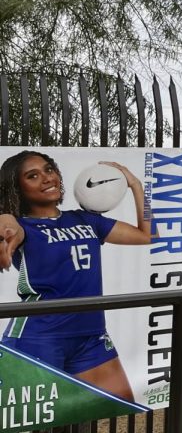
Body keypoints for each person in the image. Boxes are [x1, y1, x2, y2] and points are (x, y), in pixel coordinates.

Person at [0, 150, 153, 401]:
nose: (47, 178)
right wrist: (5, 228)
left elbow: (147, 235)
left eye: (49, 169)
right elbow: (7, 223)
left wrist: (134, 184)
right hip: (40, 336)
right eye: (33, 176)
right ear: (17, 188)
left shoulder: (85, 220)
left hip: (90, 334)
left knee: (121, 406)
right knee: (42, 425)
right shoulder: (22, 226)